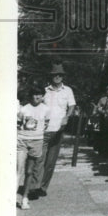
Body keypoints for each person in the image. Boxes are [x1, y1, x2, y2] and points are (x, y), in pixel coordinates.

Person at [30, 62, 76, 199]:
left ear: (63, 77)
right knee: (39, 159)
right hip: (43, 130)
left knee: (50, 162)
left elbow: (72, 106)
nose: (57, 77)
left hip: (58, 130)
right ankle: (34, 187)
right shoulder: (45, 90)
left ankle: (43, 187)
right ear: (51, 76)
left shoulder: (67, 91)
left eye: (60, 75)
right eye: (55, 75)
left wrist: (67, 117)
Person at [17, 82, 50, 209]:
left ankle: (25, 198)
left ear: (42, 96)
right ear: (30, 96)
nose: (36, 97)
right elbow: (19, 124)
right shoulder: (24, 109)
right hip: (23, 141)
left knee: (29, 170)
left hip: (36, 141)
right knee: (18, 170)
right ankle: (11, 196)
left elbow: (46, 124)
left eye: (39, 95)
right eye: (34, 95)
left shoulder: (46, 109)